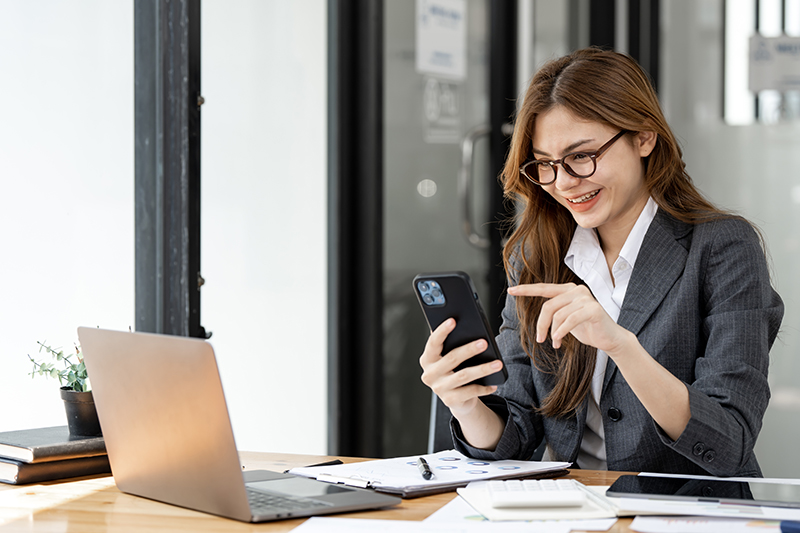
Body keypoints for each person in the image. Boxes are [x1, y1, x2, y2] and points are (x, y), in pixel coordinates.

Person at [419, 48, 783, 476]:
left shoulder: (723, 247)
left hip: (687, 513)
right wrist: (465, 404)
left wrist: (619, 345)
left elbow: (728, 440)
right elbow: (516, 436)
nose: (565, 182)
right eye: (546, 165)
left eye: (581, 155)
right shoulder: (538, 256)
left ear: (644, 137)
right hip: (577, 508)